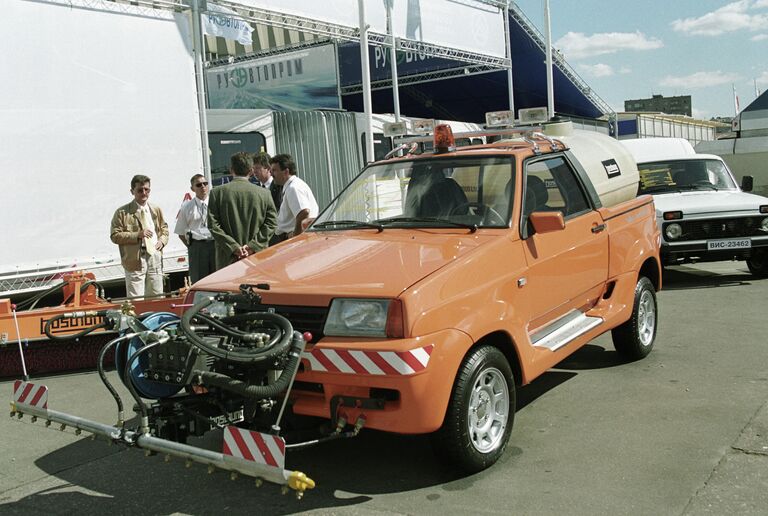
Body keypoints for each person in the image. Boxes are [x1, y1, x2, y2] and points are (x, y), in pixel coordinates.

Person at [208, 152, 277, 269]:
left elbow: (213, 225)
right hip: (257, 257)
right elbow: (272, 223)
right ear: (251, 171)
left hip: (227, 258)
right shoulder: (264, 194)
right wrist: (253, 246)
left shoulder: (216, 193)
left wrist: (234, 247)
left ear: (231, 170)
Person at [110, 174, 169, 298]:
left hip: (154, 256)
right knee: (136, 299)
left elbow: (164, 229)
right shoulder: (122, 212)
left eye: (146, 189)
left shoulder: (155, 209)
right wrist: (137, 235)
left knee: (157, 296)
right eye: (140, 190)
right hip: (135, 260)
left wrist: (162, 241)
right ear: (132, 191)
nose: (144, 193)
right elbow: (115, 235)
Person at [174, 174, 215, 284]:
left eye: (205, 184)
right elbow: (180, 232)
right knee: (200, 281)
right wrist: (192, 246)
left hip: (215, 245)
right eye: (199, 185)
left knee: (217, 279)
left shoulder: (215, 203)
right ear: (192, 189)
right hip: (197, 247)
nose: (203, 187)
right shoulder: (187, 207)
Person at [270, 153, 319, 243]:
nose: (271, 174)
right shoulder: (292, 186)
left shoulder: (294, 187)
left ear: (286, 172)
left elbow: (304, 212)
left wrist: (295, 238)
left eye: (274, 170)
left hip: (291, 240)